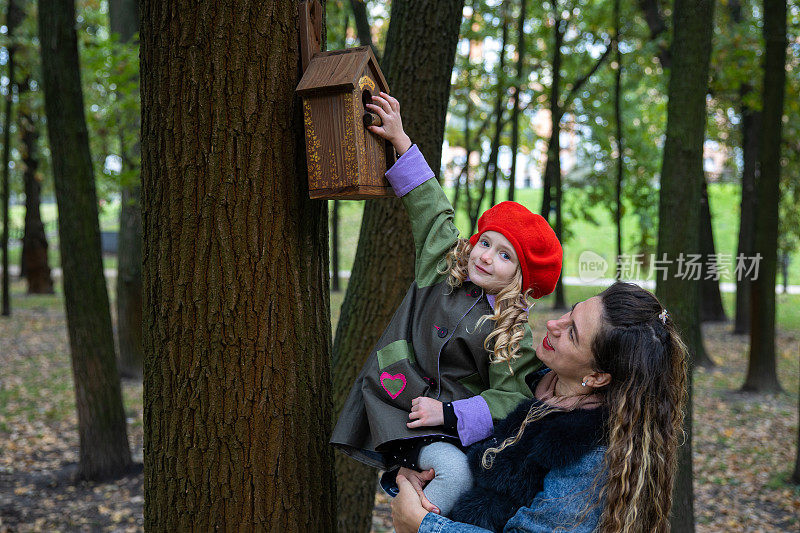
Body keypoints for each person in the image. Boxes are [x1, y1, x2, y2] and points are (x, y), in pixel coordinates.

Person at [330, 92, 563, 515]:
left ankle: (424, 524)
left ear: (521, 279)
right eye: (486, 241)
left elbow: (511, 395)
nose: (486, 256)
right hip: (394, 403)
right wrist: (400, 140)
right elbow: (431, 209)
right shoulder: (443, 266)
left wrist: (450, 413)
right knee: (426, 476)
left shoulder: (511, 329)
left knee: (455, 476)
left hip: (444, 431)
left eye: (505, 255)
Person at [391, 282, 688, 533]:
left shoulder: (591, 455)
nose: (552, 324)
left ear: (597, 377)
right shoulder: (524, 382)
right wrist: (426, 470)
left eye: (571, 333)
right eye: (571, 311)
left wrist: (425, 524)